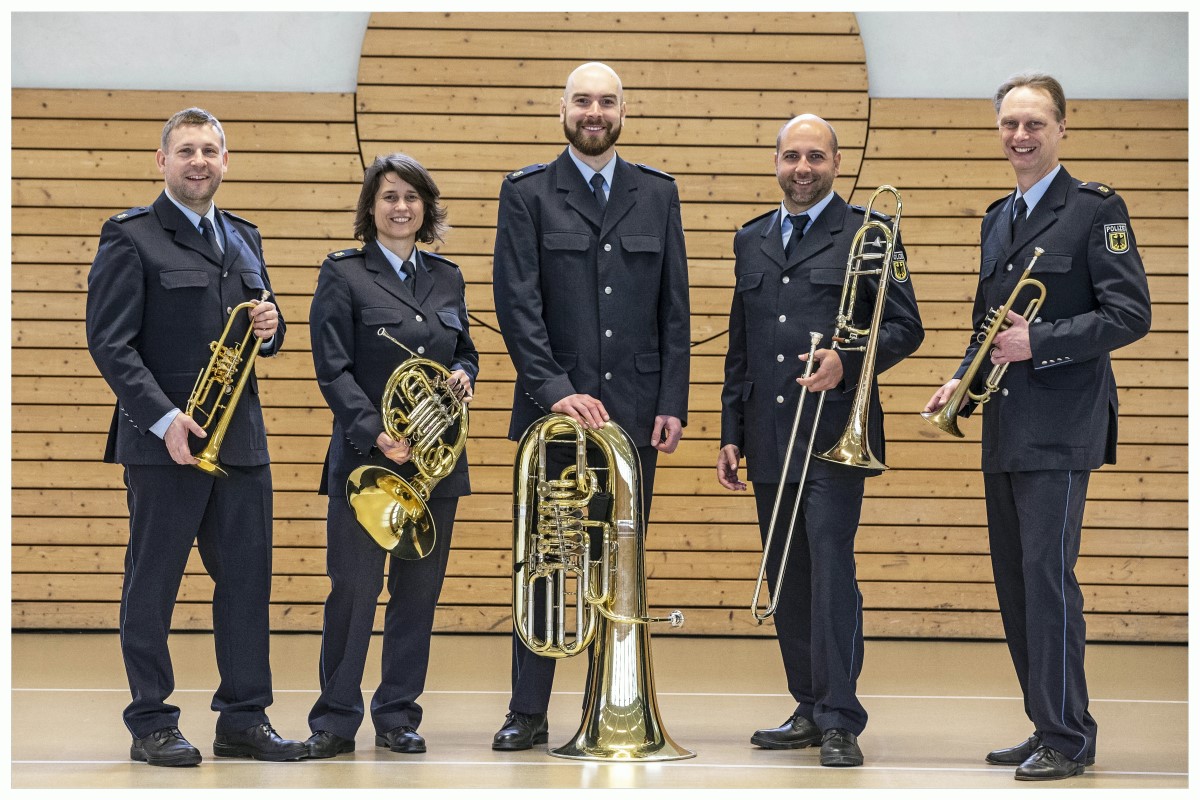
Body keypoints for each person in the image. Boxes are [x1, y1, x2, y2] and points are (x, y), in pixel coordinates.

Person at [924, 73, 1150, 781]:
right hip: (1005, 423)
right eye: (1009, 124)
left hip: (1062, 424)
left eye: (1035, 124)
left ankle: (1068, 737)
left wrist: (1040, 340)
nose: (1020, 136)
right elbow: (989, 323)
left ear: (1061, 129)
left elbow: (1130, 314)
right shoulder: (998, 216)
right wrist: (962, 377)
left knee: (1047, 581)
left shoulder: (1095, 210)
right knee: (1016, 585)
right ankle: (1046, 720)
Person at [85, 107, 305, 766]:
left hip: (240, 443)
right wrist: (163, 419)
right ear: (162, 161)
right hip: (163, 446)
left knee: (246, 582)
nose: (199, 161)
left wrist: (274, 327)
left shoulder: (243, 236)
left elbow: (261, 333)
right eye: (186, 150)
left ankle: (244, 716)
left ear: (226, 161)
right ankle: (151, 721)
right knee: (152, 585)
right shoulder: (130, 237)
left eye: (210, 150)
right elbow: (111, 343)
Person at [490, 61, 691, 750]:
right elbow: (515, 305)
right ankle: (527, 711)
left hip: (635, 411)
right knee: (547, 558)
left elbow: (675, 305)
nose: (594, 112)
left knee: (619, 560)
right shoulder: (526, 193)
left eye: (606, 101)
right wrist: (553, 389)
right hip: (554, 412)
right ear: (563, 109)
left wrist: (672, 399)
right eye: (582, 101)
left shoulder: (657, 193)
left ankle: (611, 705)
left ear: (624, 111)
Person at [717, 115, 923, 768]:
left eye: (815, 156)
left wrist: (849, 359)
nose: (801, 167)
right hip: (770, 433)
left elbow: (905, 327)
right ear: (775, 163)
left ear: (837, 161)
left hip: (835, 432)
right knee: (787, 575)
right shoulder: (751, 239)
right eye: (790, 156)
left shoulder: (872, 231)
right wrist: (731, 431)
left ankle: (841, 717)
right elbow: (741, 345)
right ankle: (807, 705)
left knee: (831, 570)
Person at [303, 154, 478, 759]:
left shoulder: (448, 277)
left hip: (435, 466)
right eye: (388, 197)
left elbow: (466, 351)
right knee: (353, 592)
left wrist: (462, 374)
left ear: (426, 208)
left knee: (417, 596)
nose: (400, 207)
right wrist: (376, 431)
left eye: (411, 197)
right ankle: (335, 718)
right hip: (367, 461)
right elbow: (332, 367)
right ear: (370, 208)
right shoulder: (343, 274)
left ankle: (398, 714)